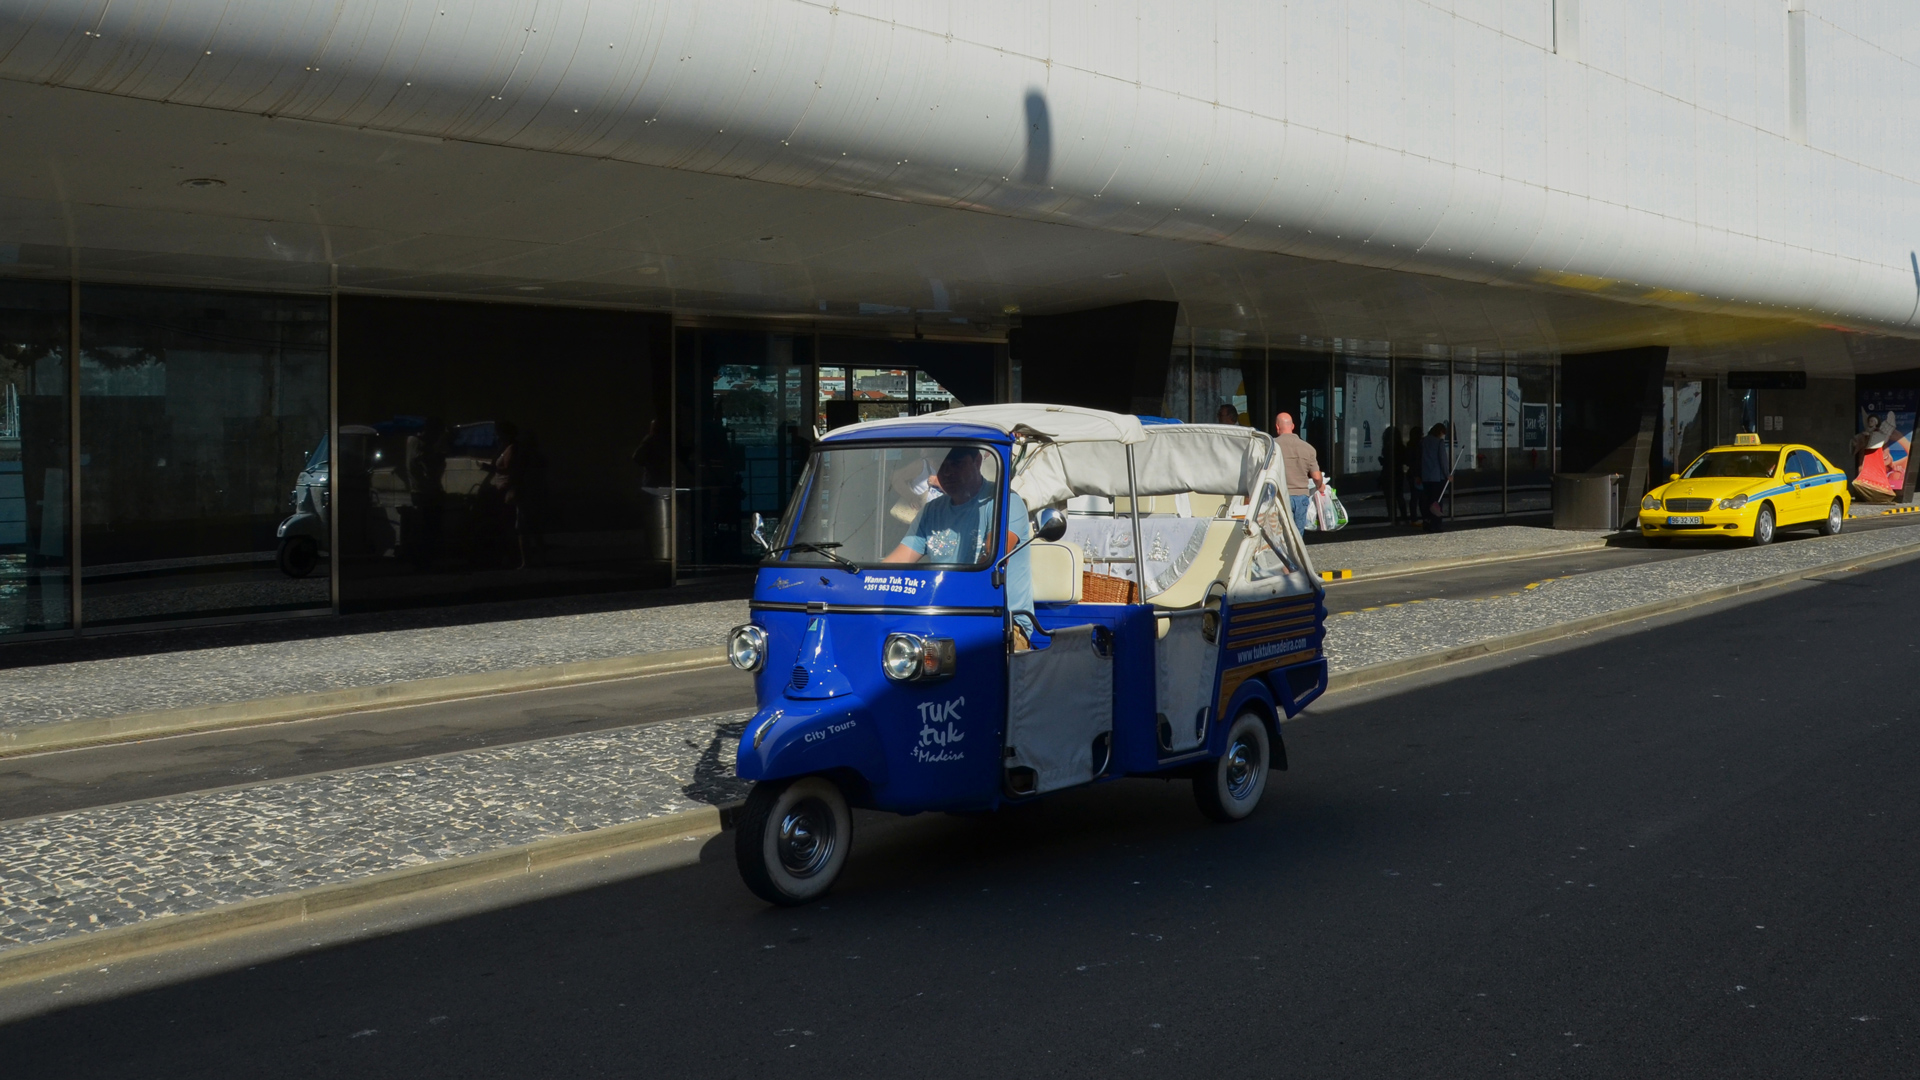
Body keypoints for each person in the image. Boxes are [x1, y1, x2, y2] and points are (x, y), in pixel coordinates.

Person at [884, 447, 1032, 640]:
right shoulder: (932, 510)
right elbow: (897, 562)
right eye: (941, 465)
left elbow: (992, 560)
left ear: (977, 462)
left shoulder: (1005, 502)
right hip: (944, 618)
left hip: (1002, 623)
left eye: (956, 464)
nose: (947, 473)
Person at [1272, 411, 1327, 532]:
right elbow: (1316, 477)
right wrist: (1320, 486)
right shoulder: (1308, 448)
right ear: (1292, 426)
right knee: (1297, 534)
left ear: (1277, 427)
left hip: (1279, 496)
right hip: (1301, 497)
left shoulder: (1271, 447)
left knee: (1280, 534)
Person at [1418, 422, 1452, 532]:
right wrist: (1447, 474)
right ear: (1440, 432)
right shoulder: (1439, 442)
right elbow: (1443, 460)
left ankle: (1427, 522)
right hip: (1437, 477)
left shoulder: (1423, 441)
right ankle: (1436, 524)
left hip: (1426, 475)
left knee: (1427, 500)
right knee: (1436, 502)